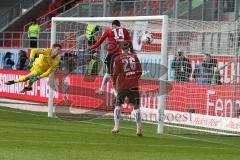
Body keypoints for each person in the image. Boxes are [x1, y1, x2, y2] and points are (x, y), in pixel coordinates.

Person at [90, 20, 133, 95]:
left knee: (109, 73)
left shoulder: (109, 30)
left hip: (112, 54)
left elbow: (99, 42)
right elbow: (129, 42)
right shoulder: (125, 31)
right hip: (121, 55)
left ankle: (106, 90)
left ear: (113, 25)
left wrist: (92, 47)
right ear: (119, 25)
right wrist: (132, 52)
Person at [111, 41, 142, 136]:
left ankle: (116, 127)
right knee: (136, 106)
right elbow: (140, 71)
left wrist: (114, 83)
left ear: (121, 49)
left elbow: (115, 73)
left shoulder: (118, 58)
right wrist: (134, 80)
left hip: (123, 85)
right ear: (129, 48)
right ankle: (138, 129)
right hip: (133, 85)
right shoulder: (135, 57)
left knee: (117, 104)